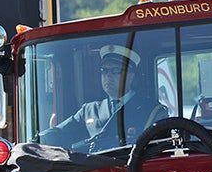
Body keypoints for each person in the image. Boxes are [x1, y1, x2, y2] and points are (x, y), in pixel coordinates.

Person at [40, 45, 168, 151]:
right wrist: (37, 140)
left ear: (131, 75)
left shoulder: (151, 110)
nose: (108, 76)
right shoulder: (89, 110)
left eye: (116, 71)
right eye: (104, 71)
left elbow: (159, 150)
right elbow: (60, 133)